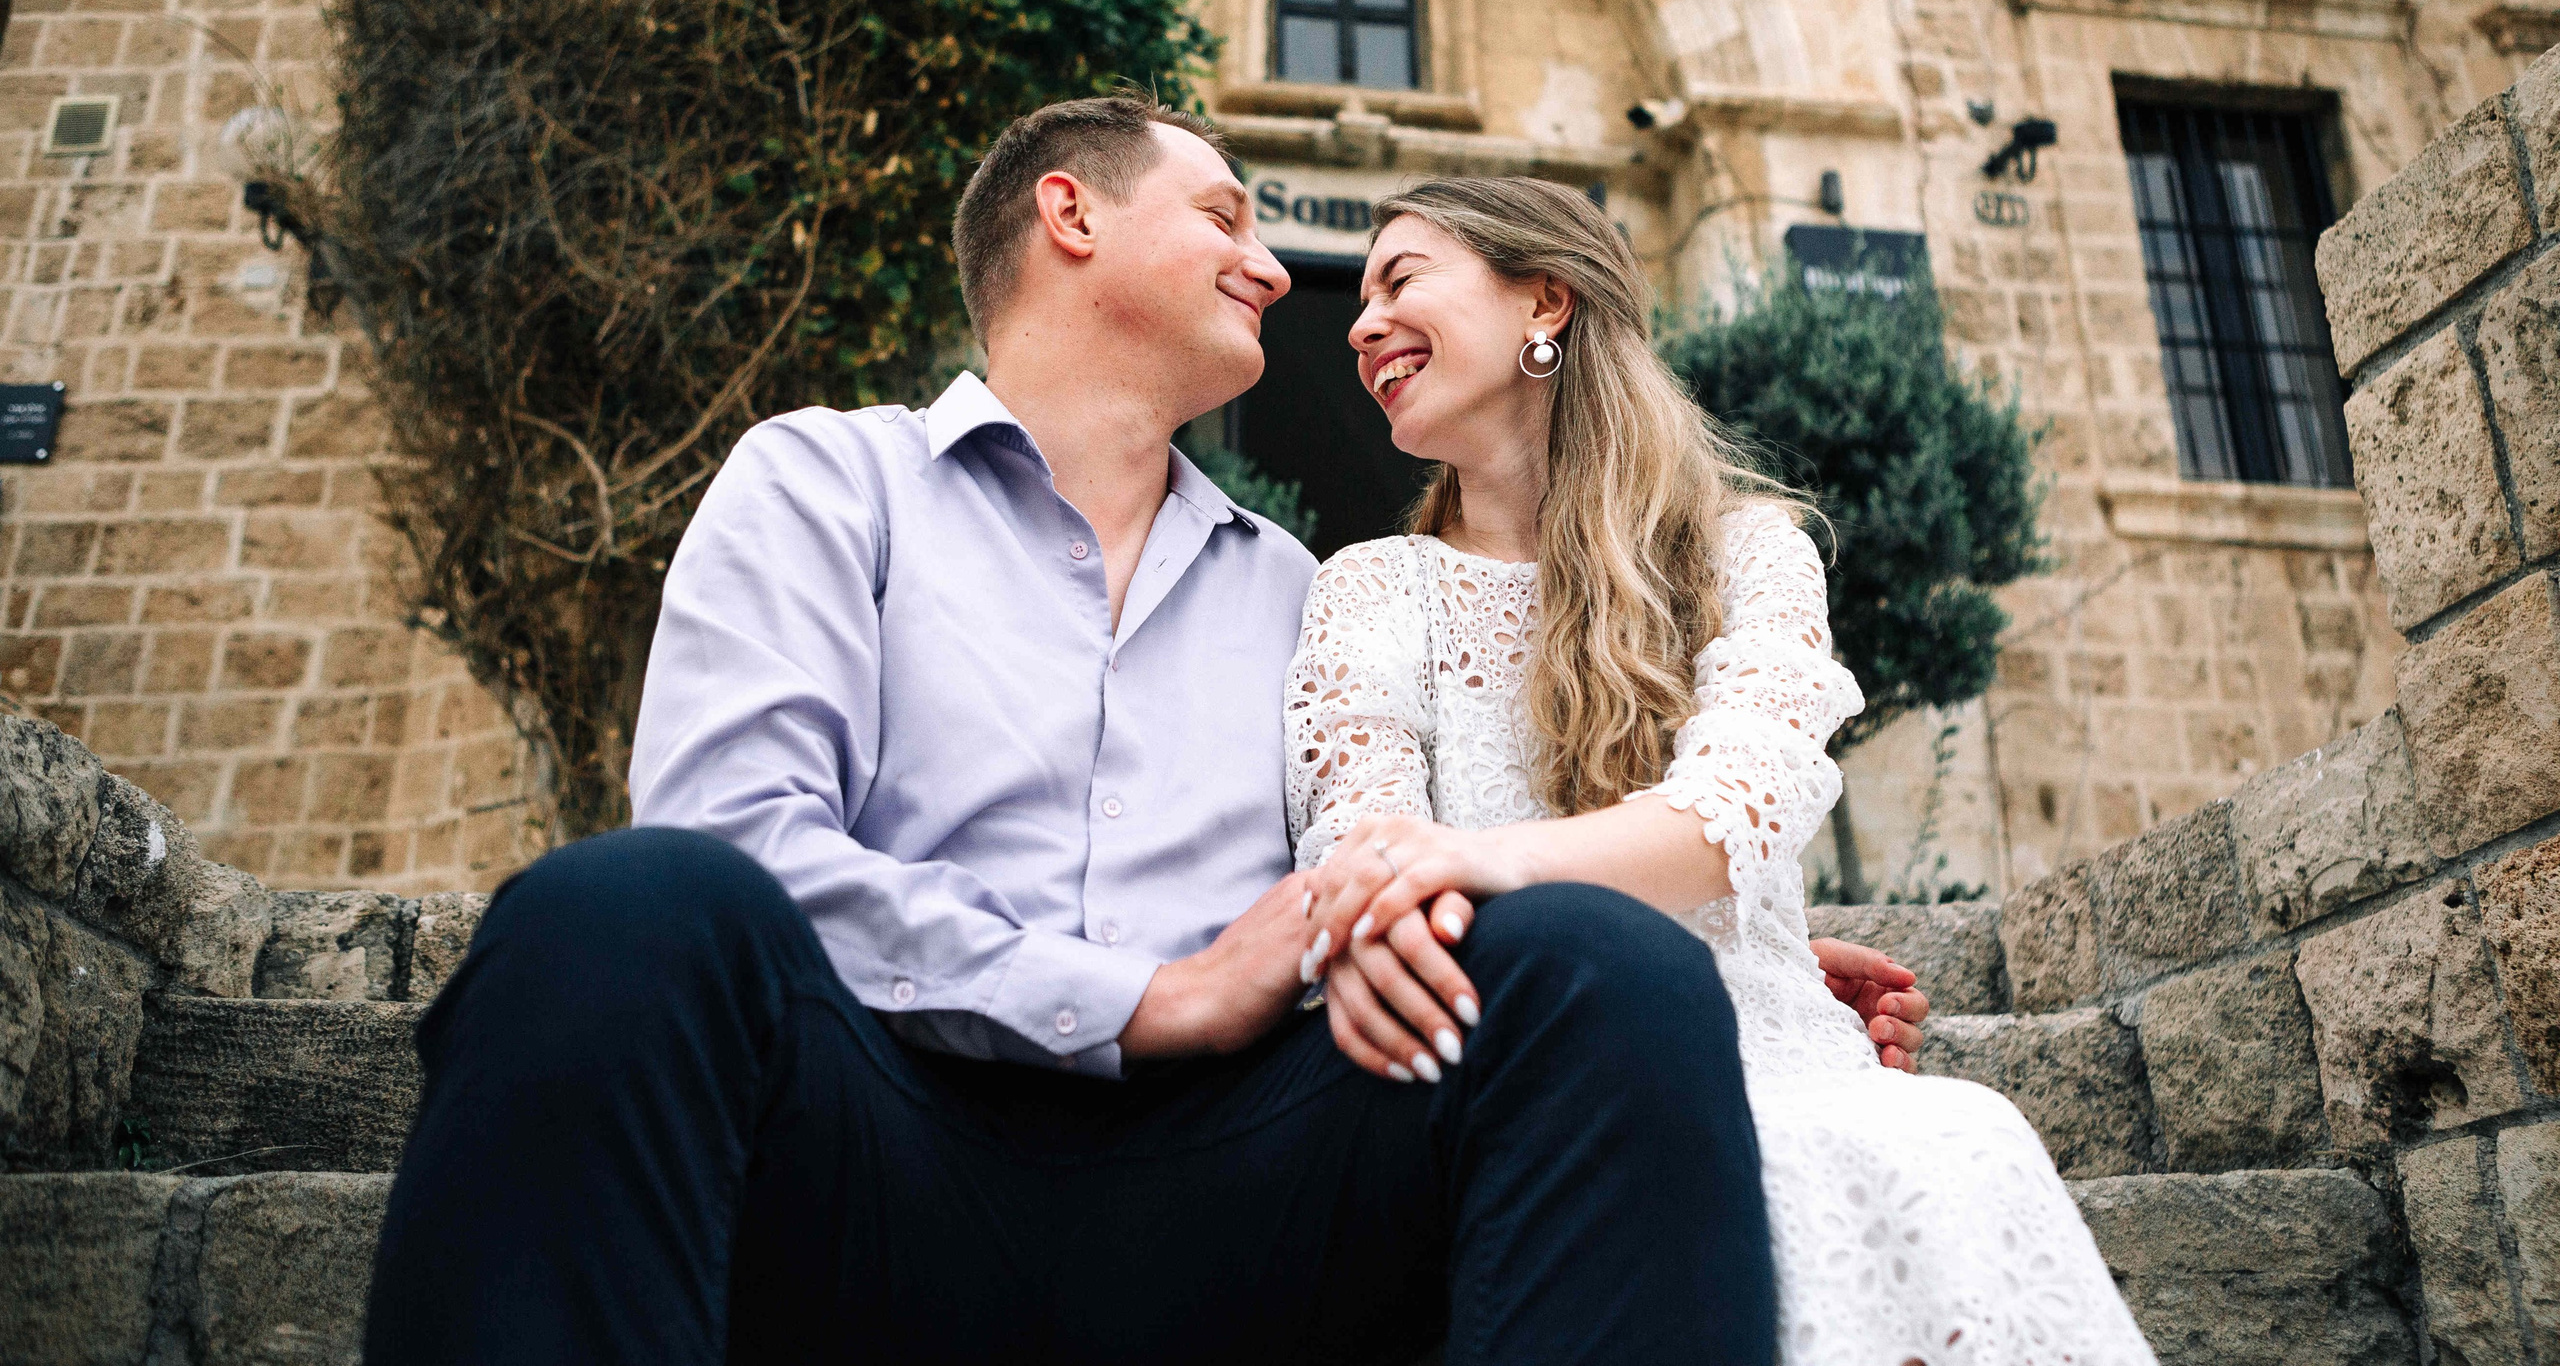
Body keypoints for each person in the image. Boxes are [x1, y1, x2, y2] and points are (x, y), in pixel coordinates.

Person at [362, 97, 1928, 1366]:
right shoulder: (825, 483)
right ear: (1072, 215)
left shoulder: (1308, 592)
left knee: (1611, 972)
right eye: (1228, 217)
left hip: (1245, 1184)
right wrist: (1139, 996)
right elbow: (740, 846)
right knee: (612, 911)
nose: (1274, 269)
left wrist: (1751, 947)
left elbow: (1417, 848)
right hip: (868, 1148)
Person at [1283, 175, 2155, 1366]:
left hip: (1783, 1045)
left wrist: (1735, 926)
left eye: (1401, 279)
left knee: (1956, 1139)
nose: (1358, 321)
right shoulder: (1370, 586)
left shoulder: (1754, 553)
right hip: (1519, 1057)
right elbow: (1364, 854)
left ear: (1545, 299)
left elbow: (1729, 811)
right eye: (1363, 294)